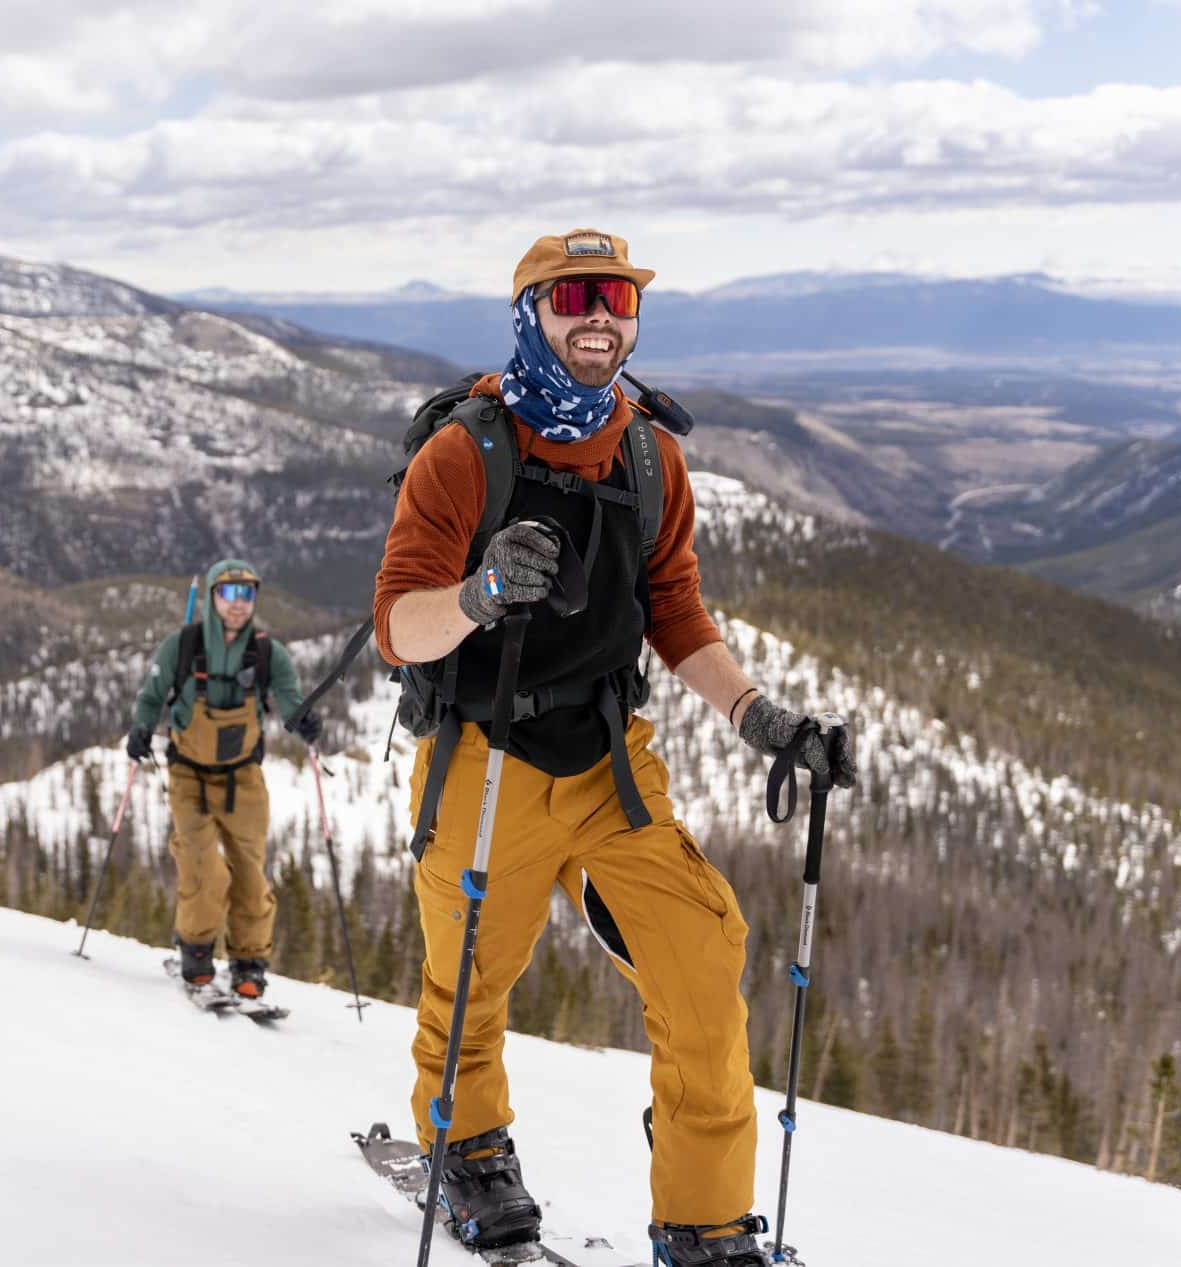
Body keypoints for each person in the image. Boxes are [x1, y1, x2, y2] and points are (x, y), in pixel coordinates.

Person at [374, 229, 857, 1265]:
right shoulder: (464, 452)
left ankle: (707, 1220)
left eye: (619, 298)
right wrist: (478, 593)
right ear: (531, 312)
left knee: (699, 955)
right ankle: (468, 1147)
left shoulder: (648, 451)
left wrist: (763, 717)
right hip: (483, 751)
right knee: (467, 976)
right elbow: (397, 625)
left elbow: (675, 610)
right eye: (575, 295)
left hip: (606, 756)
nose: (601, 314)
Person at [126, 558, 323, 1000]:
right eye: (229, 594)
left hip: (243, 777)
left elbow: (292, 700)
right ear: (212, 597)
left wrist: (305, 721)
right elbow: (152, 695)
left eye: (247, 594)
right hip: (188, 775)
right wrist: (141, 730)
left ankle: (249, 962)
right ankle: (196, 952)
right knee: (202, 865)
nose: (238, 604)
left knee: (250, 872)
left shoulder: (269, 653)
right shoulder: (182, 646)